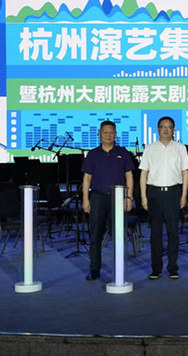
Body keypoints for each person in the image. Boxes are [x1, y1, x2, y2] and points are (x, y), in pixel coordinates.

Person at [81, 120, 135, 281]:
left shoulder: (123, 152)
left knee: (118, 235)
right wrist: (85, 199)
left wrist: (129, 197)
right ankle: (94, 269)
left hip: (118, 198)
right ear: (99, 134)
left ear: (115, 134)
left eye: (111, 132)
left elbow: (129, 176)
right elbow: (87, 178)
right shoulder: (93, 154)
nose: (108, 135)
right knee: (95, 234)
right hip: (97, 197)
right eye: (105, 132)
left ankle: (118, 269)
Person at [139, 116, 188, 280]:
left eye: (169, 127)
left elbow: (185, 173)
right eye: (163, 127)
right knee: (155, 233)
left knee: (173, 232)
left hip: (173, 193)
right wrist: (143, 196)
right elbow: (144, 173)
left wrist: (184, 195)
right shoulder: (150, 148)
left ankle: (173, 268)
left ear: (173, 130)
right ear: (158, 129)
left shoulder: (180, 148)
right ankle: (156, 269)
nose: (166, 130)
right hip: (154, 193)